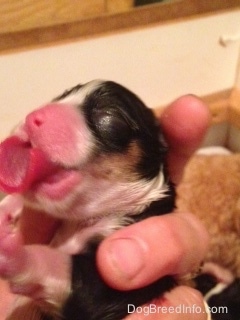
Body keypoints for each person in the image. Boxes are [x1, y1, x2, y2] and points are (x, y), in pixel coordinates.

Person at [0, 95, 210, 320]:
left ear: (153, 148)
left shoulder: (132, 230)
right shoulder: (46, 215)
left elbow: (88, 292)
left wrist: (27, 264)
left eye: (105, 117)